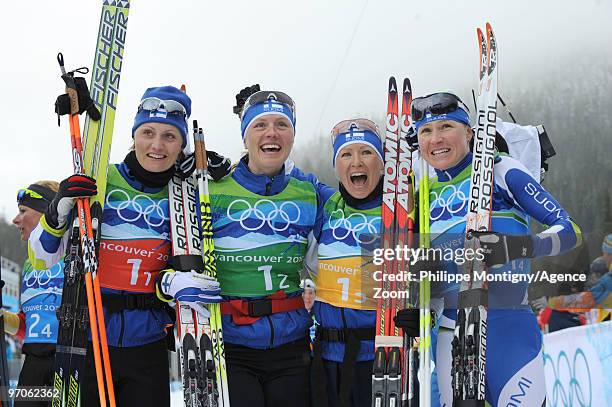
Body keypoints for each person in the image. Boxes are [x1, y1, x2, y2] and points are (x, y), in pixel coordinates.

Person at [28, 85, 221, 406]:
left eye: (170, 136)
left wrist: (174, 281)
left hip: (147, 345)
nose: (157, 145)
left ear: (182, 145)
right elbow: (40, 258)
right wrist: (59, 207)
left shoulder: (184, 197)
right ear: (135, 136)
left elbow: (191, 262)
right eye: (148, 132)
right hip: (87, 339)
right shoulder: (101, 180)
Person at [395, 92, 582, 407]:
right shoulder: (422, 196)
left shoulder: (500, 170)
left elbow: (569, 230)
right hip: (450, 331)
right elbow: (421, 271)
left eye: (446, 127)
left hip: (508, 328)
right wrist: (417, 311)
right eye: (426, 131)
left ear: (469, 132)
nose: (436, 139)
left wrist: (516, 247)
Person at [194, 89, 324, 407]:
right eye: (259, 125)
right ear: (244, 135)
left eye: (282, 124)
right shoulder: (211, 188)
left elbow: (339, 248)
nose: (272, 132)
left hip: (292, 346)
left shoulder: (310, 194)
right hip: (230, 345)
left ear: (293, 134)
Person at [306, 118, 383, 407]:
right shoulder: (324, 204)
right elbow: (275, 170)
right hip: (326, 357)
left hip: (381, 359)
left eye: (367, 152)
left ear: (382, 161)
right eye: (346, 154)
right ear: (336, 165)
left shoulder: (403, 208)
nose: (356, 162)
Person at [7, 180, 59, 407]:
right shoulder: (28, 265)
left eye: (23, 211)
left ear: (46, 214)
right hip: (33, 367)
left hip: (69, 363)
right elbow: (28, 325)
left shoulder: (76, 253)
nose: (15, 220)